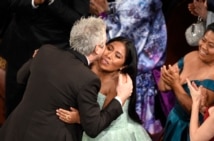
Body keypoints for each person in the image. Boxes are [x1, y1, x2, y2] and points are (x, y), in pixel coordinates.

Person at [0, 17, 133, 141]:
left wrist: (37, 60)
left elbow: (20, 78)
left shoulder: (46, 51)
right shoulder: (88, 79)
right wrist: (120, 98)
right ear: (97, 49)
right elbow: (93, 127)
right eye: (105, 45)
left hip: (14, 131)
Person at [0, 0, 109, 118]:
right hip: (20, 46)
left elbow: (79, 21)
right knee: (13, 103)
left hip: (54, 53)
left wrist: (52, 2)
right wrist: (34, 2)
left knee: (41, 107)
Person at [157, 21, 214, 141]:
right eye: (203, 39)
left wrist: (175, 85)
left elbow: (195, 111)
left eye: (211, 45)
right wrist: (167, 80)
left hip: (192, 130)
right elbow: (162, 86)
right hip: (173, 120)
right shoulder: (191, 55)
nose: (203, 46)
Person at [56, 36, 152, 141]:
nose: (109, 55)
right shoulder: (92, 62)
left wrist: (79, 118)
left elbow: (103, 120)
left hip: (106, 130)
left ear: (123, 66)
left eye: (117, 56)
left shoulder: (119, 83)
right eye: (109, 48)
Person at [103, 0, 167, 135]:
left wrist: (102, 13)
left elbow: (119, 43)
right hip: (123, 71)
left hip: (132, 76)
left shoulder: (140, 4)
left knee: (118, 129)